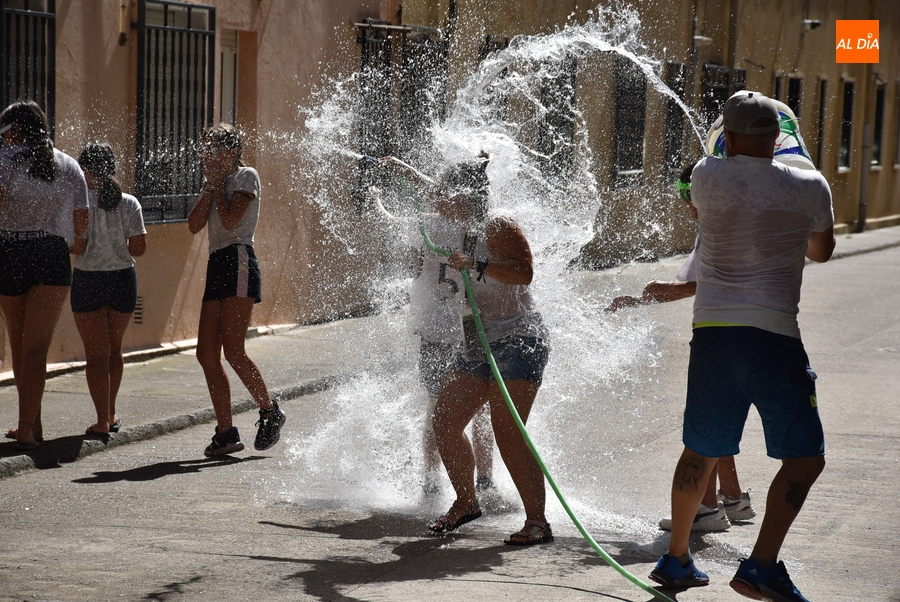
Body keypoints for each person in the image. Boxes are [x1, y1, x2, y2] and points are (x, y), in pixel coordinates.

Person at [649, 92, 834, 602]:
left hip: (712, 334)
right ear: (780, 138)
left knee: (701, 448)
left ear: (726, 136)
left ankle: (678, 557)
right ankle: (761, 565)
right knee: (803, 458)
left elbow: (700, 204)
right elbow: (822, 251)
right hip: (774, 336)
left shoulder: (708, 176)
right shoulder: (811, 184)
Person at [385, 153, 552, 545]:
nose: (438, 202)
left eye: (446, 195)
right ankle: (466, 502)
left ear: (466, 198)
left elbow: (524, 273)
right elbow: (428, 193)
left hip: (520, 339)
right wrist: (405, 171)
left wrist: (477, 266)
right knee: (444, 419)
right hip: (479, 339)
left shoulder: (498, 226)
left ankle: (538, 521)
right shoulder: (455, 228)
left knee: (507, 431)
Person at [608, 163, 756, 533]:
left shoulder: (721, 226)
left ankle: (706, 509)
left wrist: (662, 291)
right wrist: (645, 299)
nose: (688, 205)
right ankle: (734, 499)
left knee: (705, 424)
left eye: (690, 195)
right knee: (718, 419)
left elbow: (709, 284)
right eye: (683, 195)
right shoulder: (732, 218)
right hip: (740, 335)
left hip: (724, 336)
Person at [368, 168, 497, 502]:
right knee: (479, 406)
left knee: (438, 406)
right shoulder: (482, 228)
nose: (440, 198)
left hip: (439, 328)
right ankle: (483, 479)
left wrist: (377, 198)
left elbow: (396, 218)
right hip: (470, 327)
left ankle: (431, 478)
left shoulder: (432, 223)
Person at [188, 123, 285, 457]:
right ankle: (226, 432)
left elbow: (230, 221)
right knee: (205, 353)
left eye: (213, 147)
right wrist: (209, 187)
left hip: (239, 259)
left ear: (231, 150)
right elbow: (194, 224)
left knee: (233, 350)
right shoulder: (212, 182)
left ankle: (270, 410)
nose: (207, 154)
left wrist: (216, 184)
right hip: (217, 262)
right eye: (205, 148)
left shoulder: (246, 176)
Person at [0, 100, 89, 450]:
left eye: (4, 132)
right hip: (51, 254)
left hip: (10, 250)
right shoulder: (67, 164)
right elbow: (81, 224)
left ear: (17, 130)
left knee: (20, 346)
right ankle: (30, 425)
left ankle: (26, 428)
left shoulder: (4, 161)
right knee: (36, 347)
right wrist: (72, 241)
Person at [73, 143, 146, 437]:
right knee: (114, 350)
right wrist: (116, 243)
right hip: (122, 280)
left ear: (86, 170)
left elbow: (76, 246)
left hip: (88, 279)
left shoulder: (78, 204)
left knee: (95, 354)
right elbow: (138, 248)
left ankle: (101, 420)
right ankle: (112, 413)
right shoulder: (129, 203)